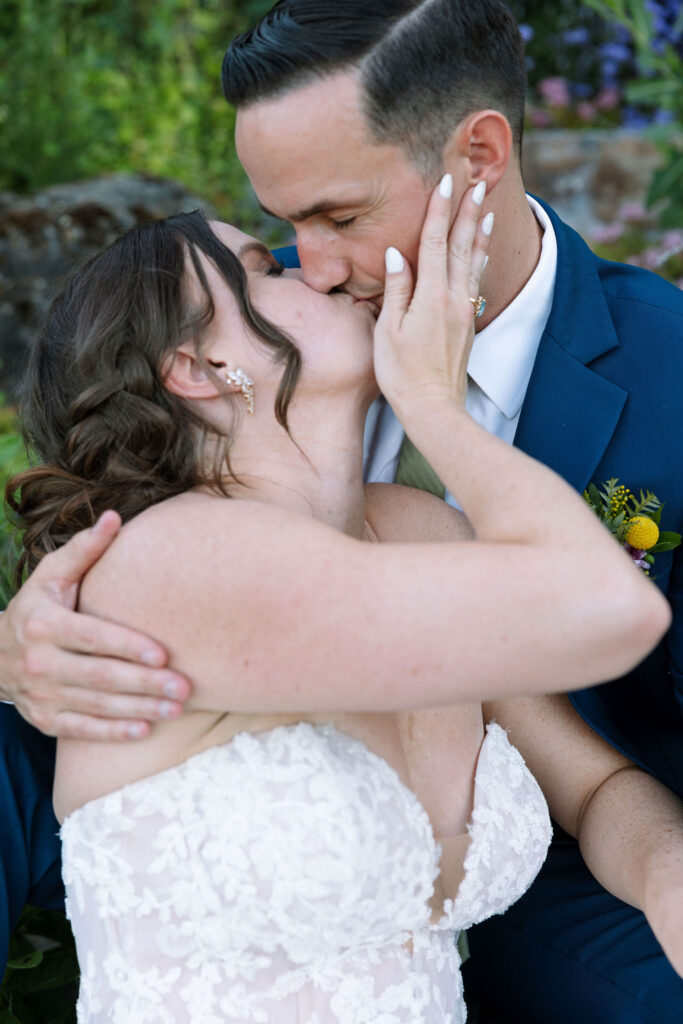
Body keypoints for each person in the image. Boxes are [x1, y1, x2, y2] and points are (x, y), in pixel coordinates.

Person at [0, 0, 681, 1018]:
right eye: (278, 243)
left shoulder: (425, 513)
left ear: (480, 153)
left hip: (572, 938)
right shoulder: (171, 552)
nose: (312, 266)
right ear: (198, 368)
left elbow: (591, 782)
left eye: (338, 219)